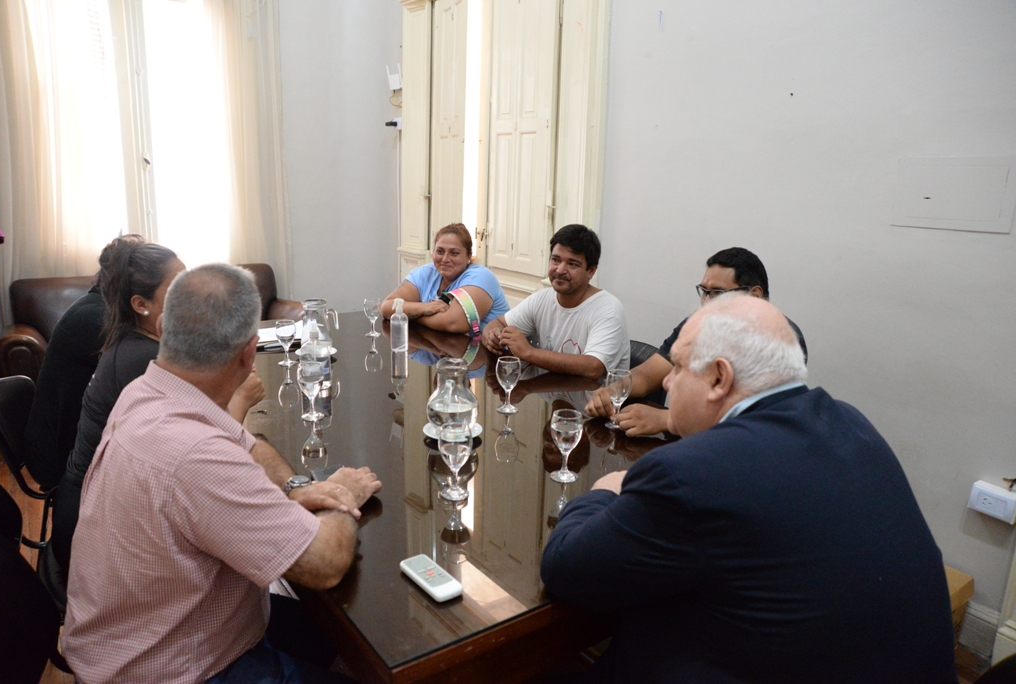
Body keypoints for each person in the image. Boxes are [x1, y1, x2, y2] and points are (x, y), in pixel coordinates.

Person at [541, 294, 957, 683]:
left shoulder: (691, 474)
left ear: (719, 378)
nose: (667, 384)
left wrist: (605, 491)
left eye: (679, 368)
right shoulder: (851, 422)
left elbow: (566, 568)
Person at [61, 263, 381, 683]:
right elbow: (324, 564)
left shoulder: (144, 393)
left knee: (324, 632)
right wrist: (343, 494)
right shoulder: (196, 455)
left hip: (136, 634)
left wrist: (294, 487)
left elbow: (244, 444)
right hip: (171, 668)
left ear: (163, 327)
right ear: (249, 354)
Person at [50, 240, 188, 575]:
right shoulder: (144, 359)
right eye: (178, 288)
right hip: (93, 529)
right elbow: (194, 446)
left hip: (95, 505)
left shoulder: (135, 340)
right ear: (141, 304)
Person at [585, 246, 806, 435]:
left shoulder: (778, 339)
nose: (707, 302)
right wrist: (615, 389)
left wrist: (668, 420)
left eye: (717, 292)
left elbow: (754, 420)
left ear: (754, 295)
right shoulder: (698, 324)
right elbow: (648, 374)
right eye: (704, 291)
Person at [24, 235, 144, 489]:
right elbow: (149, 364)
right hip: (61, 457)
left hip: (72, 441)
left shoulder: (100, 307)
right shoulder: (95, 317)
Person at [482, 224, 629, 379]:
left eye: (572, 264)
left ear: (591, 271)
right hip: (546, 391)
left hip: (595, 394)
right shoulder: (542, 299)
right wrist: (493, 336)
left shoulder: (608, 310)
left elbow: (593, 367)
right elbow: (498, 323)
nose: (559, 270)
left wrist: (529, 352)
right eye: (555, 260)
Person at [381, 223, 509, 335]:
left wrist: (409, 315)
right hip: (447, 350)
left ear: (469, 255)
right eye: (440, 251)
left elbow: (453, 323)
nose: (445, 259)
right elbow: (386, 307)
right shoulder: (426, 273)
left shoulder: (481, 277)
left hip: (489, 352)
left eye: (454, 253)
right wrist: (424, 308)